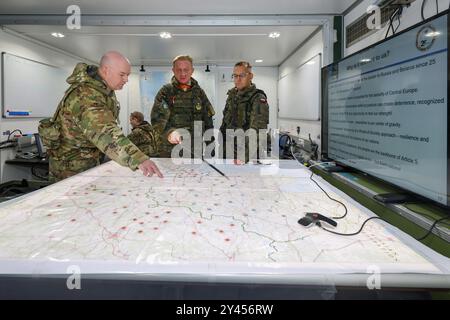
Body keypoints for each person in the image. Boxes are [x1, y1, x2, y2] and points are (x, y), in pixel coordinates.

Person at [42, 51, 163, 182]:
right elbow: (105, 133)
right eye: (122, 74)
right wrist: (139, 159)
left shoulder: (103, 90)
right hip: (70, 169)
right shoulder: (85, 95)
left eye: (127, 75)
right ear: (106, 70)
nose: (126, 79)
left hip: (88, 163)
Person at [150, 55, 215, 158]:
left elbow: (208, 121)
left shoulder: (199, 93)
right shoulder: (166, 92)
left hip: (194, 152)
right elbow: (157, 121)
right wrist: (170, 133)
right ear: (173, 70)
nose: (182, 73)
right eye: (179, 70)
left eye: (186, 70)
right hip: (169, 152)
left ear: (192, 70)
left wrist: (210, 146)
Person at [219, 61, 269, 164]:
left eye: (242, 75)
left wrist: (243, 157)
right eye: (235, 76)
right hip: (228, 154)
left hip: (248, 157)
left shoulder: (258, 98)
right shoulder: (232, 96)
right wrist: (221, 149)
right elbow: (225, 124)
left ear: (250, 76)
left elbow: (257, 131)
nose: (238, 79)